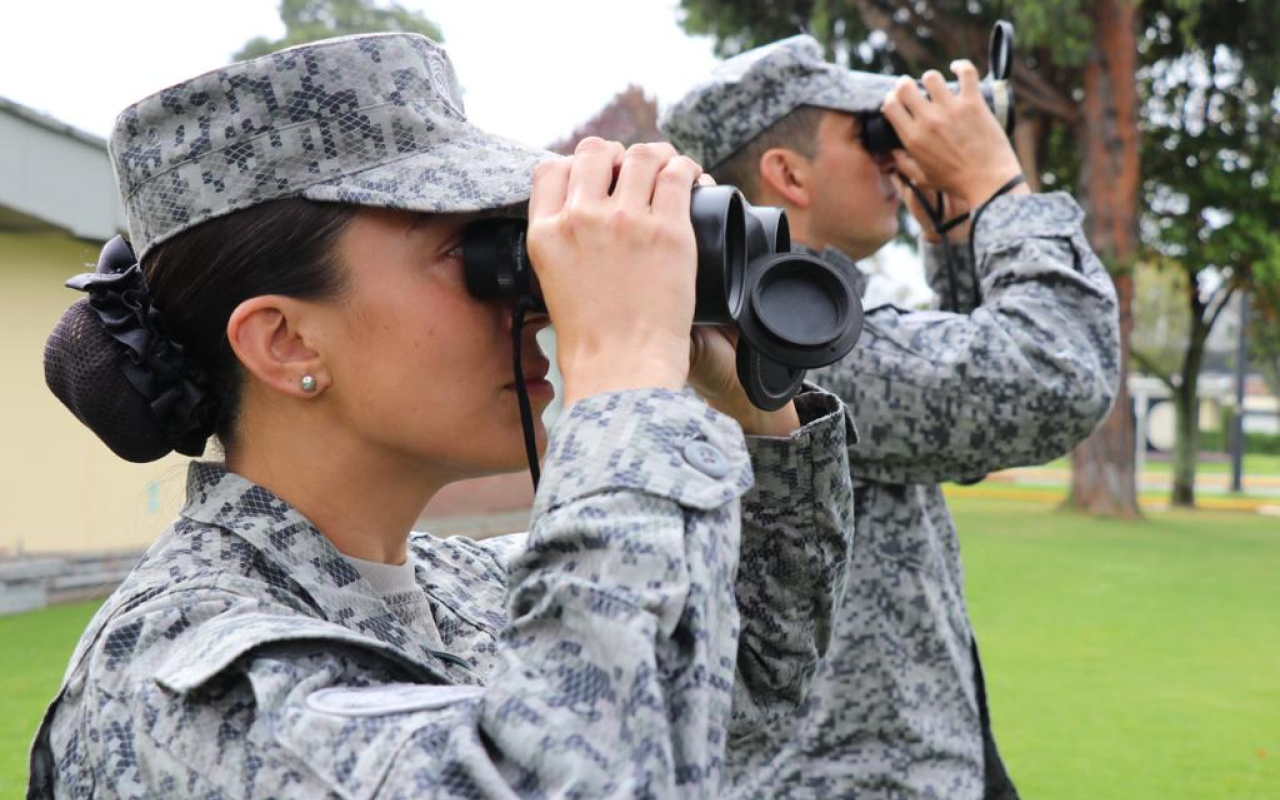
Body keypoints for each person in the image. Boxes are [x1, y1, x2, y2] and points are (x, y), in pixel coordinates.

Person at [29, 33, 859, 799]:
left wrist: (751, 409)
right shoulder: (176, 683)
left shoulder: (463, 588)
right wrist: (625, 378)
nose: (535, 306)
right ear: (284, 342)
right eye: (471, 252)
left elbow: (739, 688)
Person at [661, 36, 1121, 800]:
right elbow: (1056, 374)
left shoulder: (745, 323)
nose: (894, 157)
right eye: (872, 134)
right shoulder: (777, 343)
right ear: (787, 173)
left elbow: (968, 430)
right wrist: (996, 188)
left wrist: (952, 242)